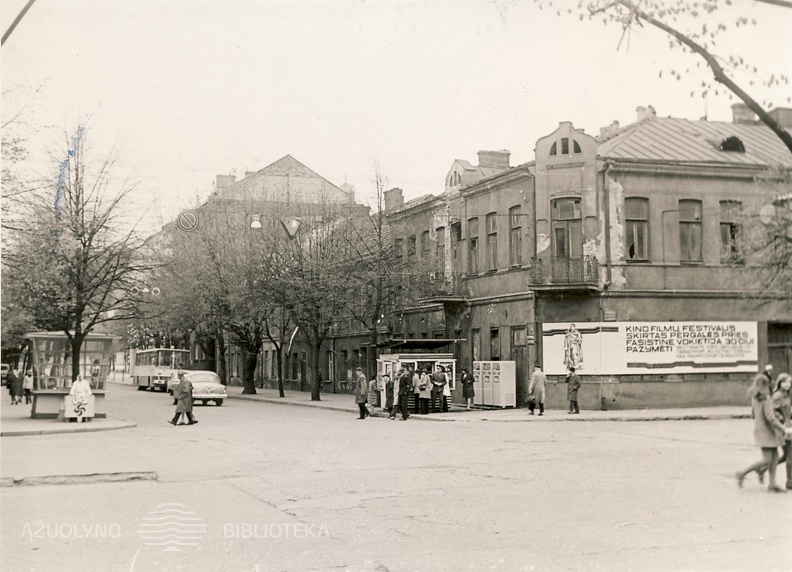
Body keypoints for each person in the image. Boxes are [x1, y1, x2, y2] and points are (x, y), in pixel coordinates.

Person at [736, 371, 792, 492]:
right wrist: (784, 429)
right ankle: (742, 474)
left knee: (775, 456)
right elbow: (770, 417)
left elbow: (755, 414)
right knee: (767, 459)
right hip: (767, 431)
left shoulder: (755, 397)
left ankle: (772, 484)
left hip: (760, 430)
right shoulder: (766, 398)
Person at [755, 372, 792, 490]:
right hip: (784, 429)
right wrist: (783, 423)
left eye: (789, 382)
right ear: (779, 382)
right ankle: (789, 481)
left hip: (787, 426)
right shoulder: (777, 396)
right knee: (790, 455)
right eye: (785, 382)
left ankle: (762, 470)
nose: (787, 384)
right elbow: (773, 413)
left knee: (786, 455)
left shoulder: (787, 394)